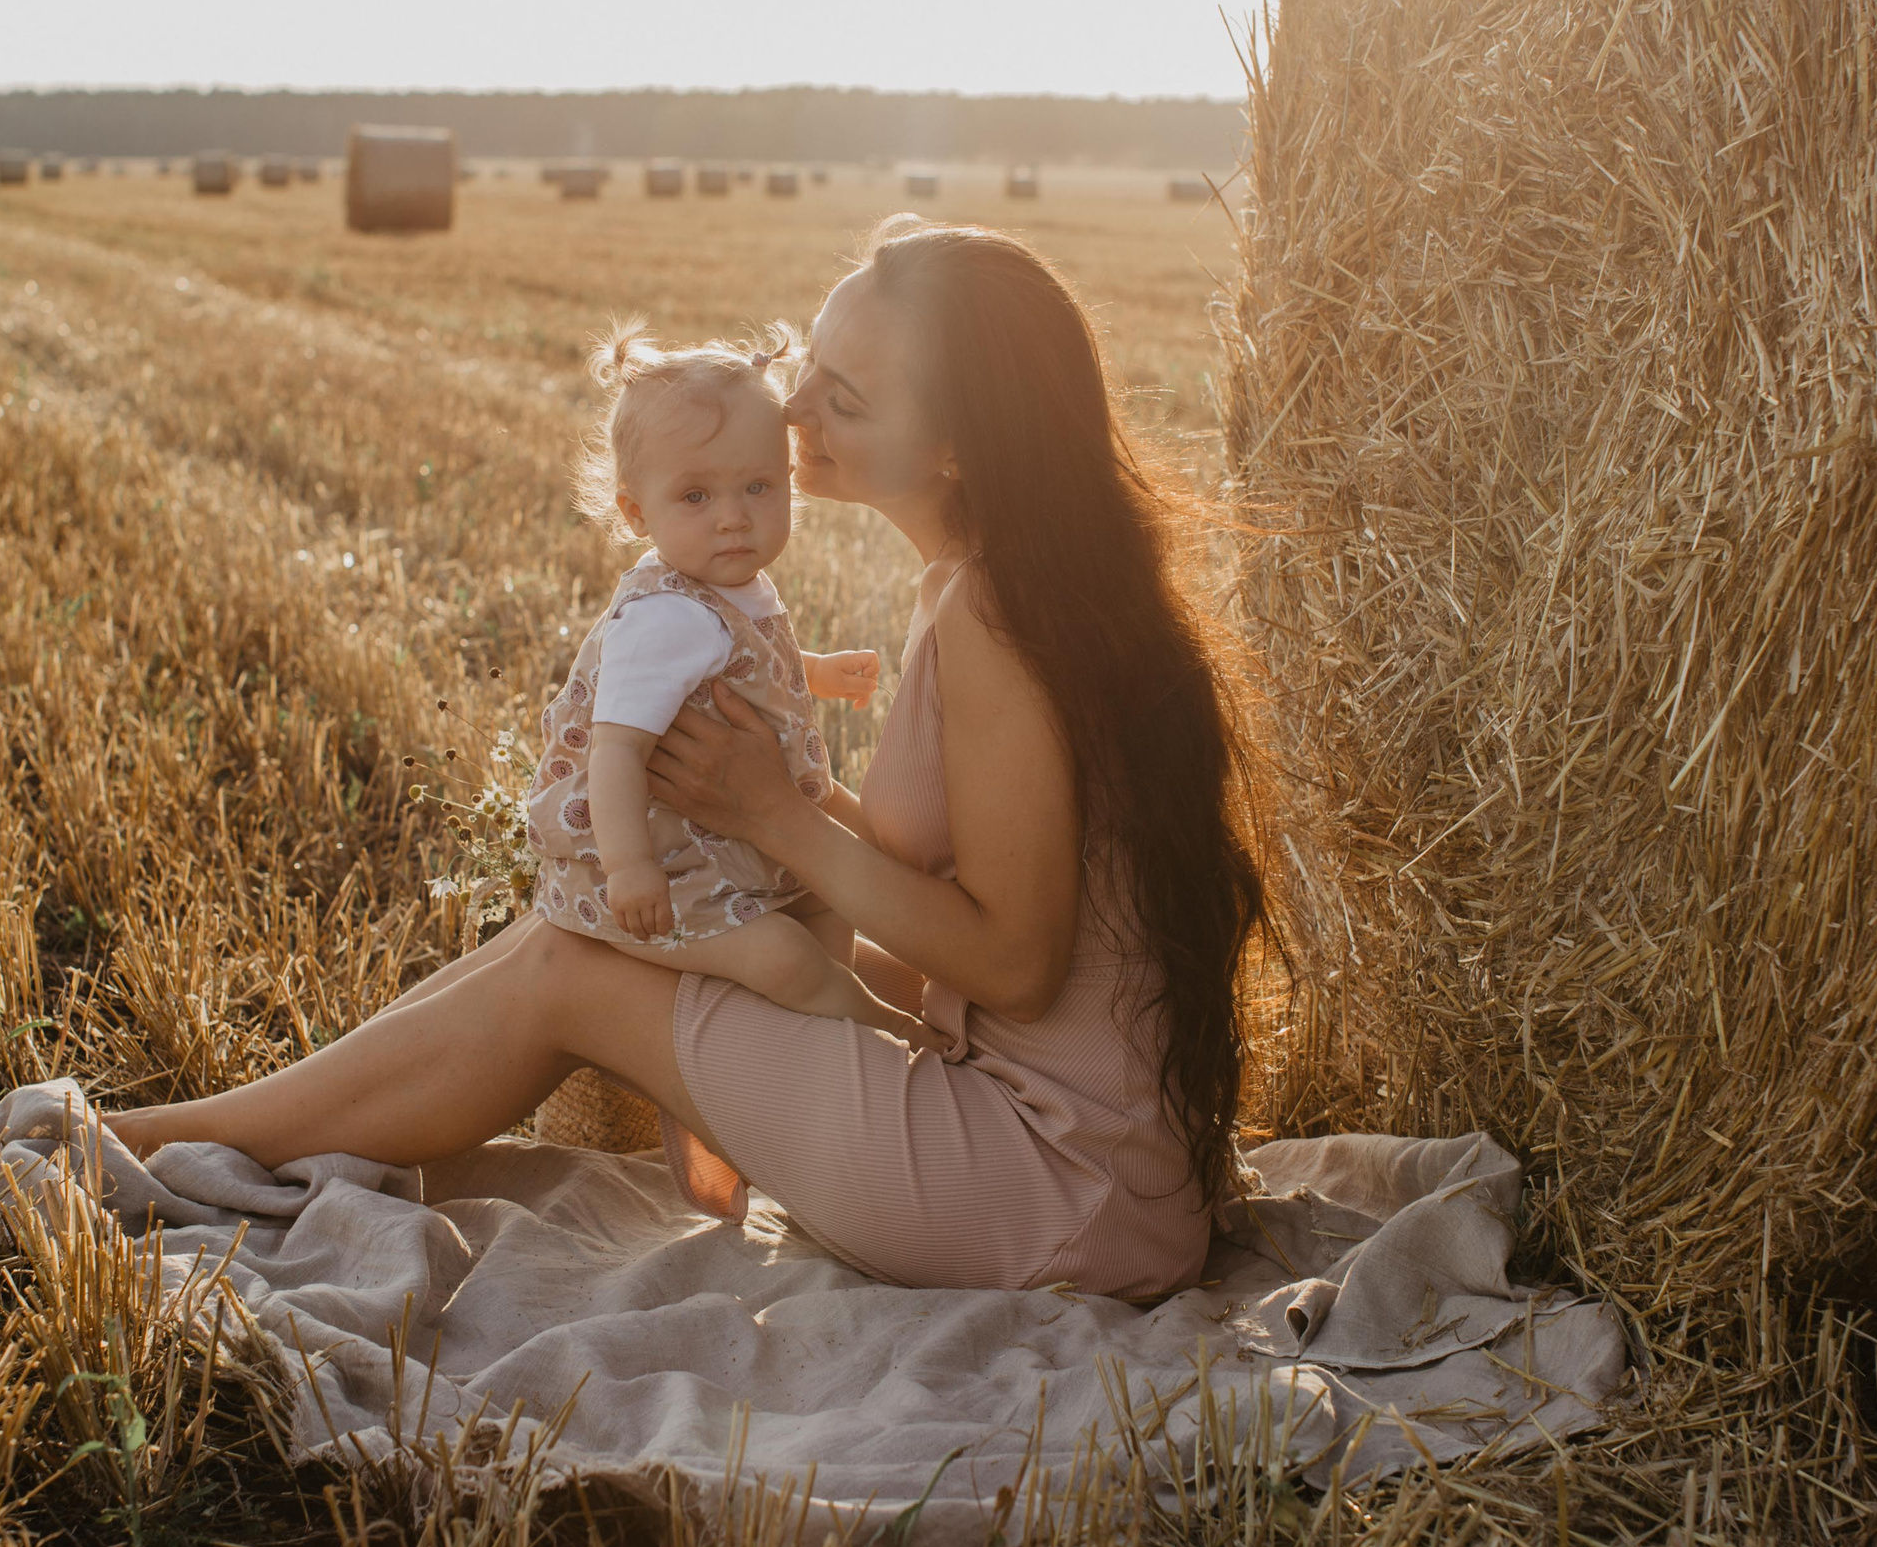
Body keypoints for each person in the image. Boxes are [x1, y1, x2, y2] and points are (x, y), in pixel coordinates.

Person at [105, 217, 1276, 1300]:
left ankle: (143, 1152)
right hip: (1049, 1121)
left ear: (958, 448)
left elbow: (1018, 965)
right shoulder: (1004, 584)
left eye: (847, 398)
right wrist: (781, 813)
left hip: (1056, 1186)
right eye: (809, 361)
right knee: (577, 936)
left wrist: (777, 816)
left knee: (576, 971)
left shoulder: (999, 618)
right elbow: (969, 873)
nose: (797, 404)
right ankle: (182, 1135)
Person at [524, 318, 912, 1046]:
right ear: (637, 512)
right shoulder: (666, 617)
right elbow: (614, 753)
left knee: (833, 908)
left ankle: (825, 1037)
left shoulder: (729, 584)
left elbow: (739, 665)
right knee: (783, 956)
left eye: (758, 487)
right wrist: (629, 868)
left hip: (725, 841)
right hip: (656, 877)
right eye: (696, 497)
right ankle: (882, 1033)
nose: (734, 519)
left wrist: (816, 673)